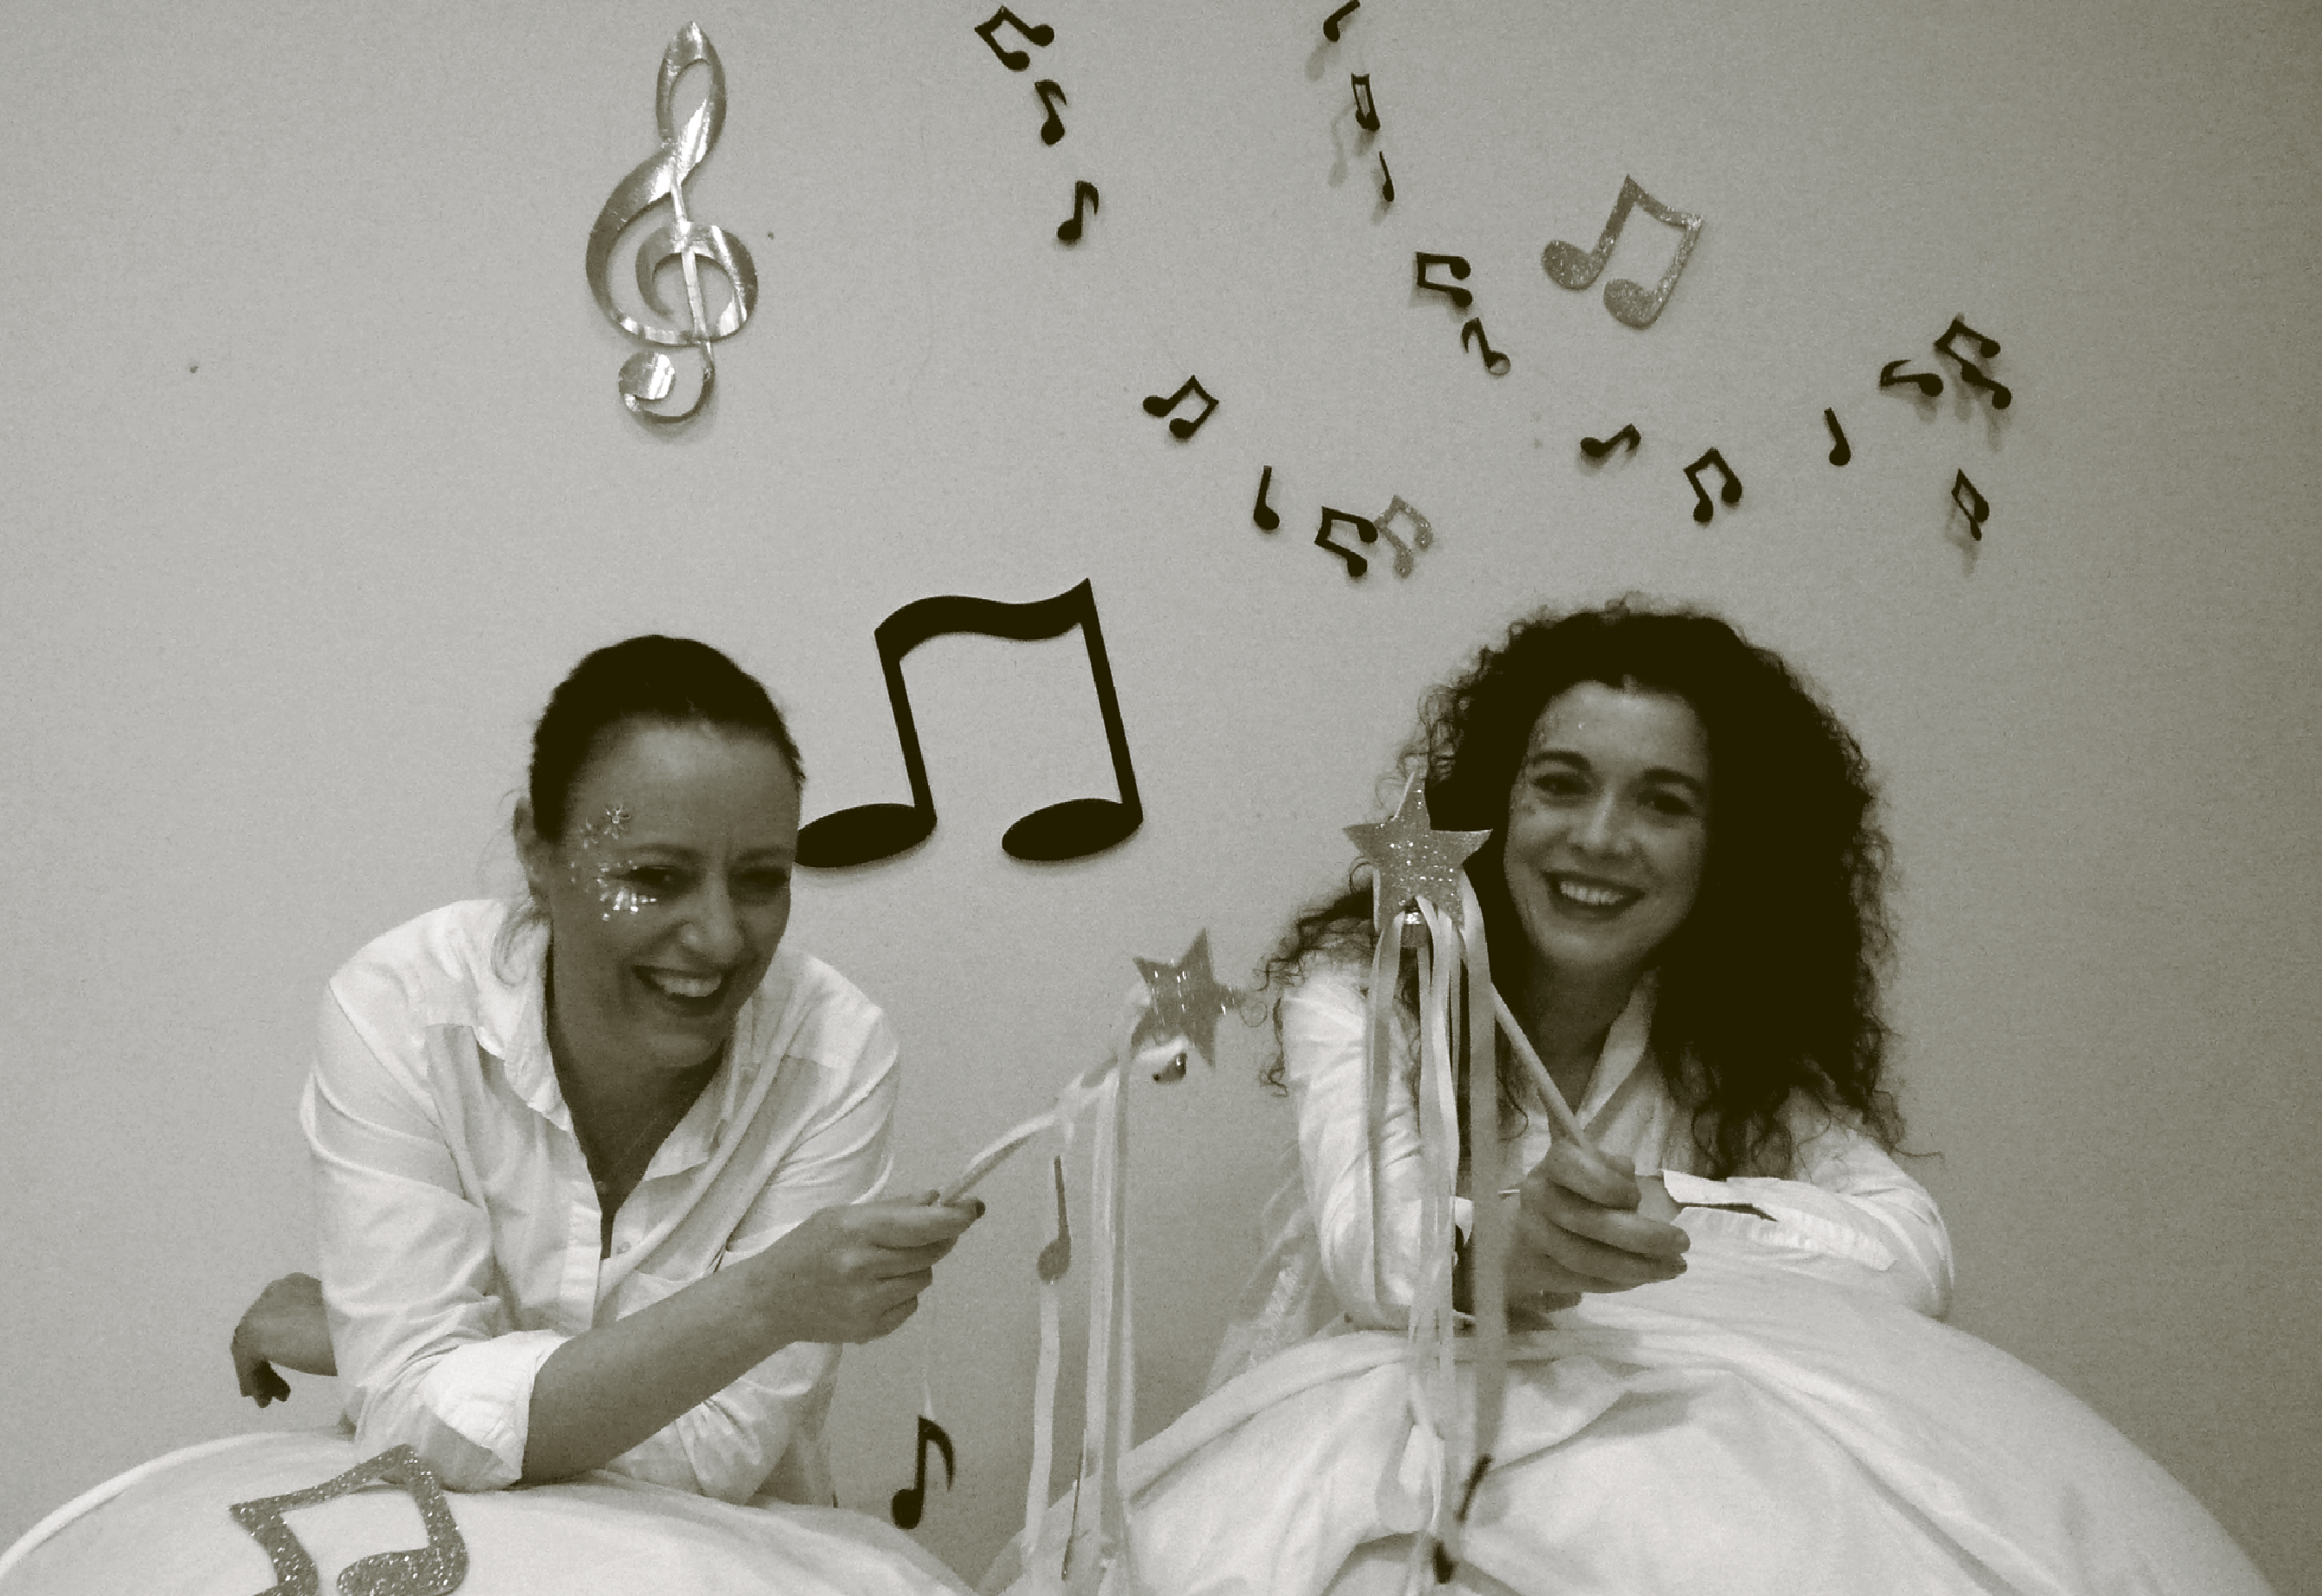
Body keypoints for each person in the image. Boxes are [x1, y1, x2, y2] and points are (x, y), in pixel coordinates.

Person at [986, 599, 2271, 1596]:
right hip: (1362, 1474)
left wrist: (1662, 1212)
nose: (1599, 839)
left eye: (1662, 803)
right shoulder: (1370, 985)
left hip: (1631, 1494)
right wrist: (1499, 1247)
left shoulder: (1729, 1043)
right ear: (1495, 808)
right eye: (1560, 784)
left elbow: (1906, 1250)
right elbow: (1371, 1245)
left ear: (1726, 849)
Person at [8, 637, 978, 1596]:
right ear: (536, 851)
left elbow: (711, 1457)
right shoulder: (402, 1009)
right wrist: (762, 1304)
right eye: (653, 876)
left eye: (762, 878)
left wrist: (396, 1358)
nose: (721, 937)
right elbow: (410, 1417)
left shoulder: (834, 1055)